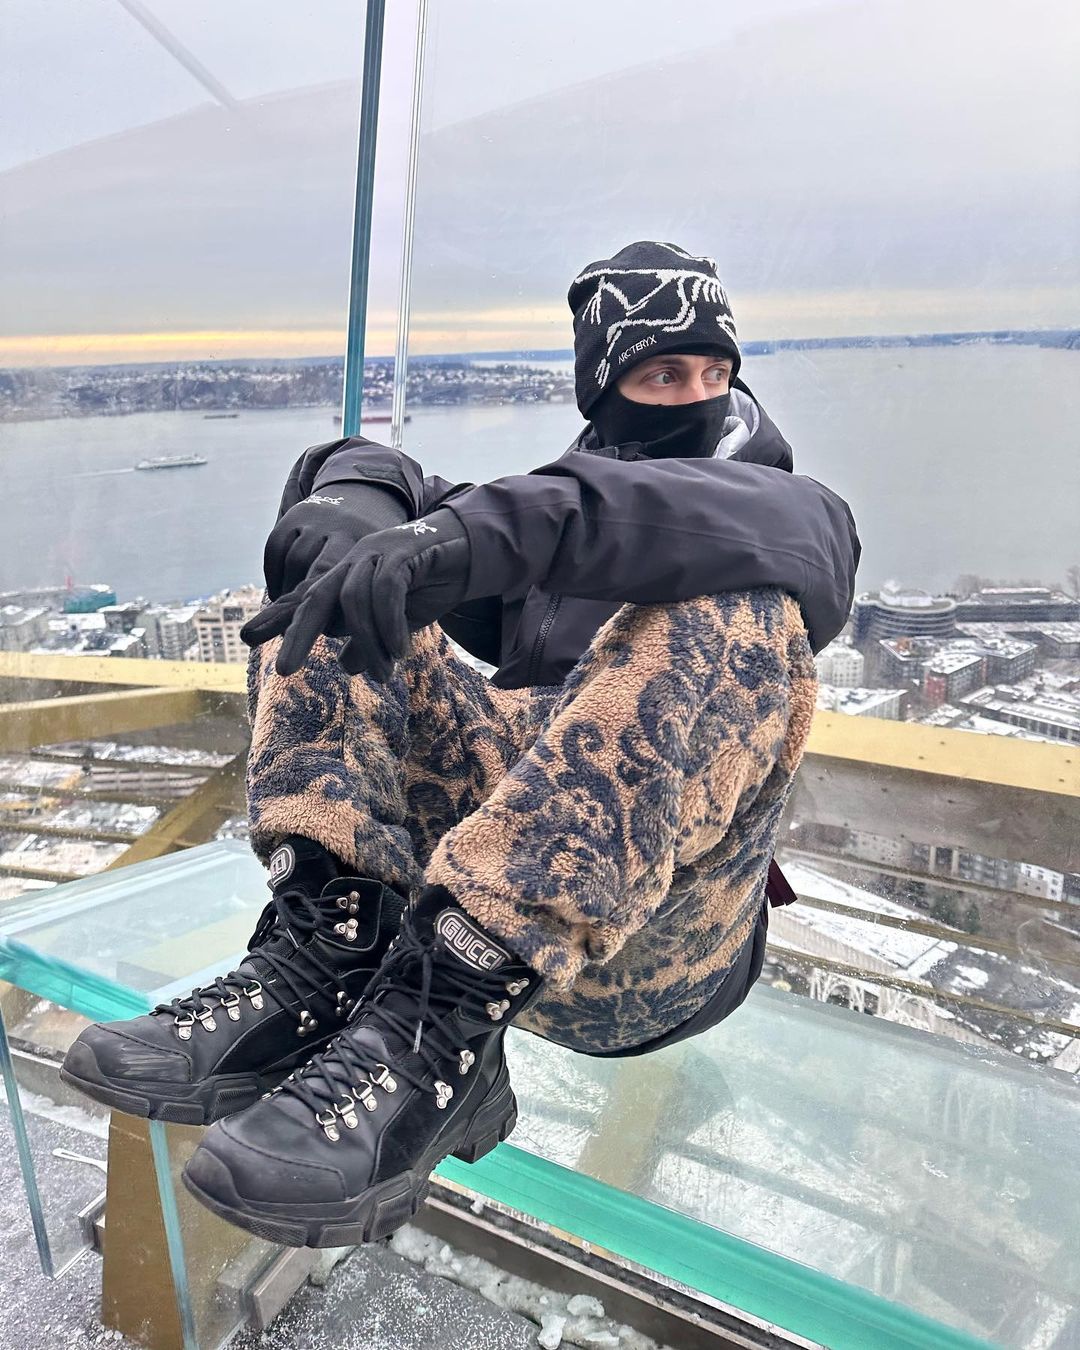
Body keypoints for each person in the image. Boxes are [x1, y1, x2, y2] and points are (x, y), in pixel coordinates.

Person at [61, 241, 859, 1247]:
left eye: (715, 372)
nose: (697, 397)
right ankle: (329, 948)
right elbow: (387, 474)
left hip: (655, 958)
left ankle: (438, 1046)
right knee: (344, 581)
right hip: (448, 929)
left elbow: (661, 522)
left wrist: (476, 533)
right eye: (662, 374)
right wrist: (355, 498)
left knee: (728, 602)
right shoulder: (559, 518)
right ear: (604, 388)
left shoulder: (796, 517)